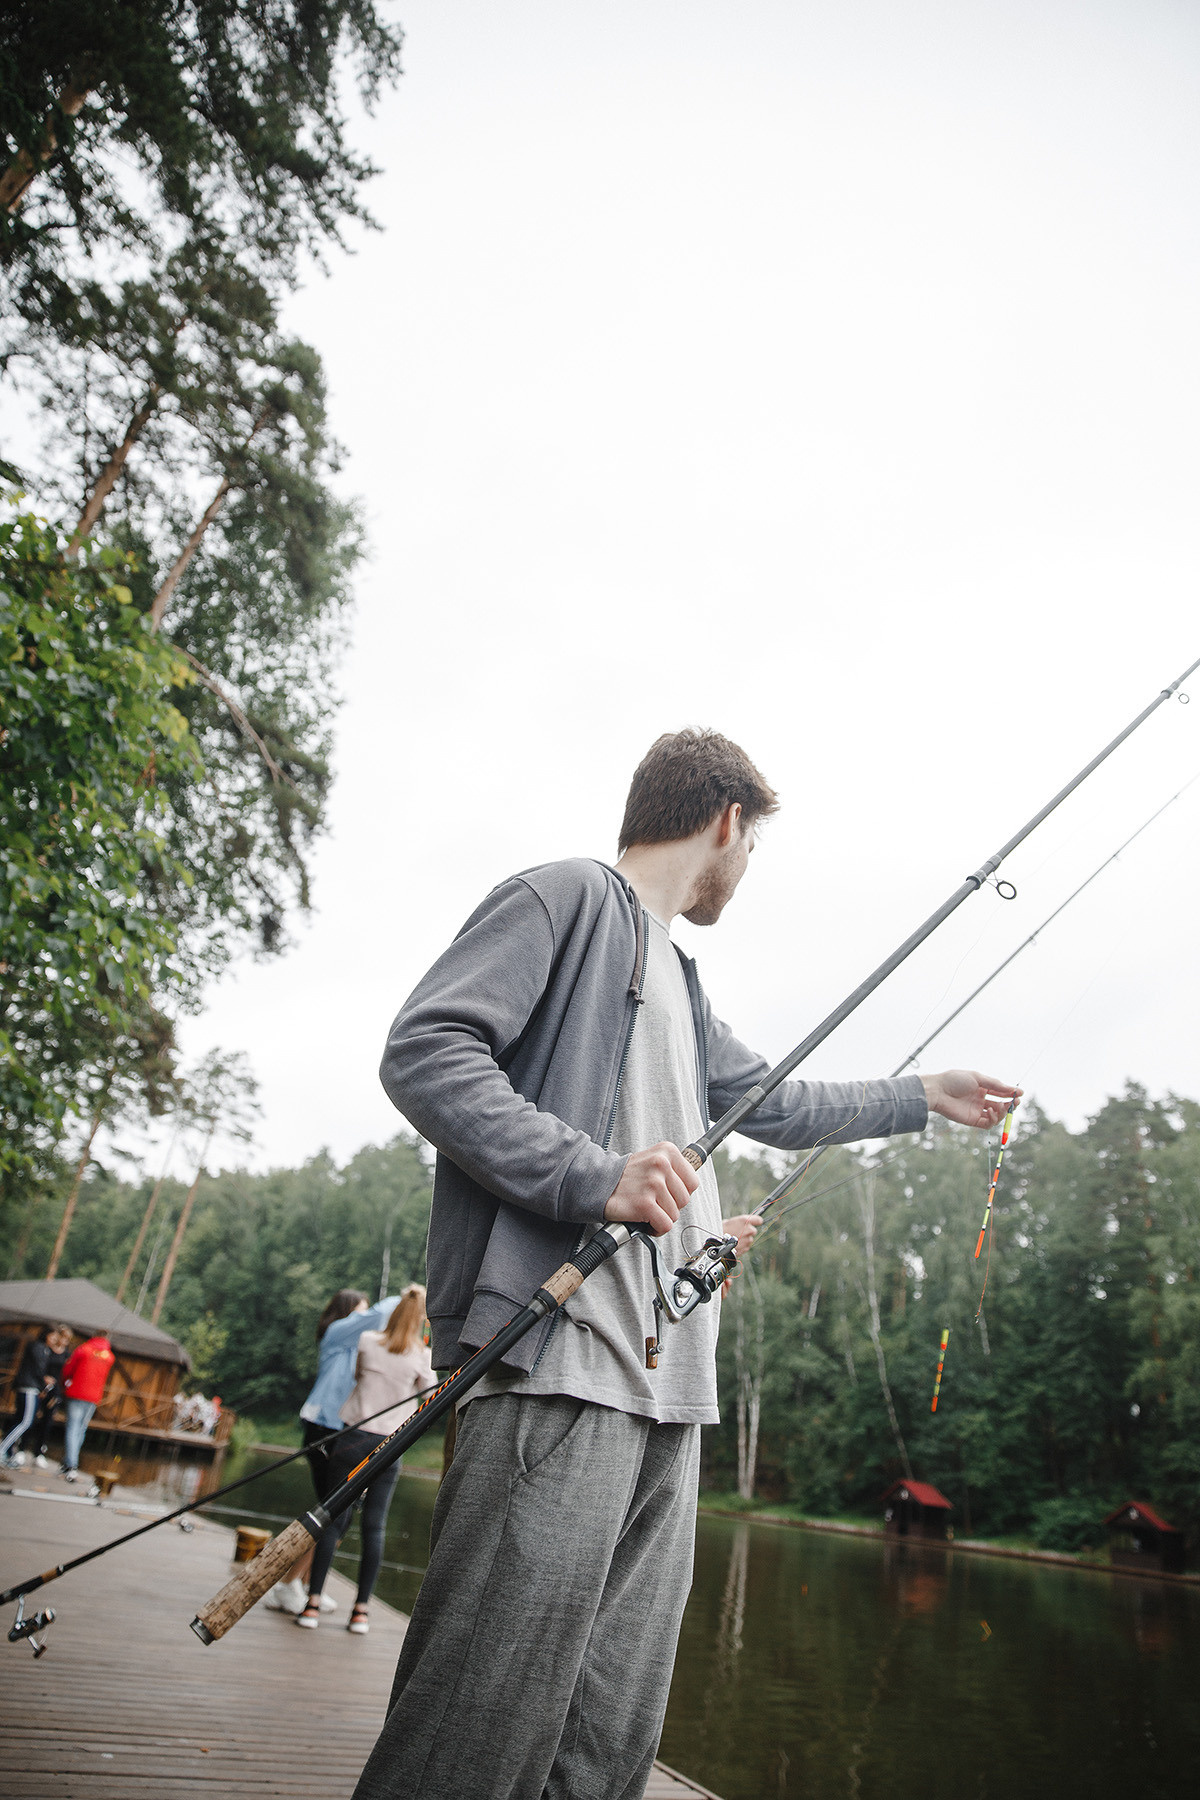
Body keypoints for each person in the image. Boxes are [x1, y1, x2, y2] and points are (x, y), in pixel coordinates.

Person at [352, 728, 1020, 1800]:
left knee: (609, 1738)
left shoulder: (683, 984)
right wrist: (592, 1175)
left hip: (670, 1395)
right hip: (561, 1365)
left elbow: (779, 1106)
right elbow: (425, 1050)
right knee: (477, 1731)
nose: (745, 870)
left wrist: (920, 1097)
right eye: (751, 846)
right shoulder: (563, 898)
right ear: (726, 822)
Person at [296, 1283, 434, 1635]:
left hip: (351, 1438)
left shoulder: (367, 1342)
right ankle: (360, 1612)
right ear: (420, 1319)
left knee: (332, 1518)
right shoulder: (421, 1355)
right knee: (375, 1527)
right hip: (388, 1445)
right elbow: (428, 1395)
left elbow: (359, 1377)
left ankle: (311, 1605)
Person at [266, 1286, 405, 1615]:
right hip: (324, 1429)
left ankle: (303, 1584)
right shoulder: (336, 1332)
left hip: (342, 1430)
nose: (365, 1317)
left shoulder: (359, 1342)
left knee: (340, 1516)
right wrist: (409, 1298)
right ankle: (289, 1585)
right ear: (347, 1311)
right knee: (331, 1515)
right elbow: (377, 1316)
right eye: (360, 1311)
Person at [0, 1323, 70, 1469]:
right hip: (30, 1387)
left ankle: (7, 1452)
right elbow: (39, 1369)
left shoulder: (41, 1348)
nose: (54, 1340)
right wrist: (44, 1383)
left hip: (30, 1386)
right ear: (46, 1335)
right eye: (53, 1337)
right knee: (25, 1422)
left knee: (20, 1420)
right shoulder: (39, 1348)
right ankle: (3, 1450)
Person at [59, 1331, 114, 1481]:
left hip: (76, 1392)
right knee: (81, 1429)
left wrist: (64, 1383)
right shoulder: (109, 1356)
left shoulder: (84, 1349)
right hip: (93, 1397)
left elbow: (68, 1369)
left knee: (72, 1427)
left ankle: (71, 1465)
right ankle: (69, 1462)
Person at [30, 1323, 72, 1468]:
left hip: (55, 1389)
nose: (64, 1341)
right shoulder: (46, 1349)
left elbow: (66, 1374)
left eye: (67, 1339)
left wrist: (61, 1391)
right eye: (63, 1338)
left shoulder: (66, 1353)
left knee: (47, 1421)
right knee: (31, 1417)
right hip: (41, 1385)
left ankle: (39, 1451)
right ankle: (21, 1448)